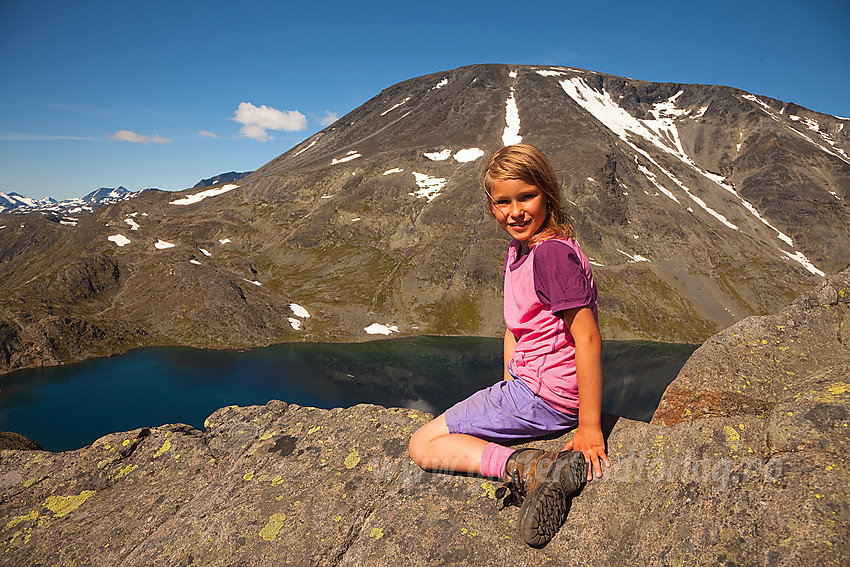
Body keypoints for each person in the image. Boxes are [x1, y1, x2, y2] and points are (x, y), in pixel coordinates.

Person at [408, 143, 610, 548]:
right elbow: (515, 330)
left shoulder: (550, 255)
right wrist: (506, 391)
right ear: (491, 205)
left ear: (547, 195)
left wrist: (590, 428)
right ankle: (528, 454)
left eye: (526, 197)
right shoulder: (520, 250)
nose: (514, 212)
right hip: (529, 389)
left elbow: (586, 337)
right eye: (502, 202)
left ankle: (530, 467)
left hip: (545, 396)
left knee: (422, 445)